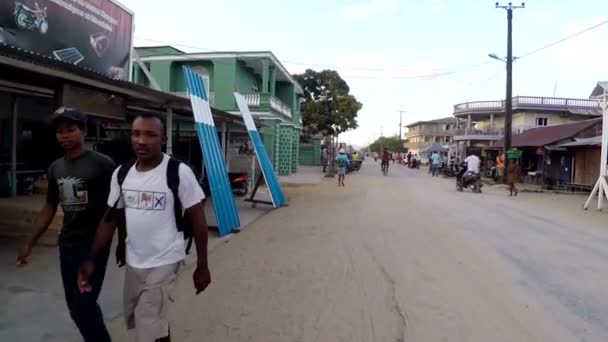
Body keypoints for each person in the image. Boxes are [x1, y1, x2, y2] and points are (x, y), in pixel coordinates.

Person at [78, 113, 211, 342]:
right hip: (135, 259)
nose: (141, 140)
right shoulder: (122, 174)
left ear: (162, 138)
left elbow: (199, 221)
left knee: (147, 320)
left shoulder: (178, 172)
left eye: (150, 135)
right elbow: (111, 218)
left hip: (166, 259)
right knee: (152, 320)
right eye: (136, 134)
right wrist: (92, 258)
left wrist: (203, 265)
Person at [16, 107, 116, 342]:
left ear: (84, 131)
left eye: (71, 129)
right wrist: (29, 242)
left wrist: (121, 243)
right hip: (68, 245)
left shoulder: (103, 164)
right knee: (75, 306)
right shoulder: (55, 168)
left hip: (94, 245)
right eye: (60, 131)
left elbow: (115, 209)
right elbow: (50, 206)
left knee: (84, 303)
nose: (65, 136)